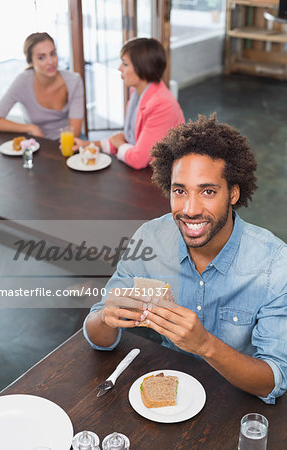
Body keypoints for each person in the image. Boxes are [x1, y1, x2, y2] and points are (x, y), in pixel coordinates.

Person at [83, 114, 287, 404]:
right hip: (168, 397)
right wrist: (106, 318)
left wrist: (206, 345)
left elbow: (273, 380)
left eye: (207, 191)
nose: (190, 209)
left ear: (233, 193)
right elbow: (98, 338)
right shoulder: (149, 239)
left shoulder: (275, 265)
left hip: (237, 403)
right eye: (180, 191)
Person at [73, 37, 184, 169]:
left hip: (164, 176)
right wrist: (88, 145)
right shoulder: (137, 92)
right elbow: (128, 140)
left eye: (125, 64)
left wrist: (119, 143)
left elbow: (138, 159)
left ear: (142, 68)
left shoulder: (162, 104)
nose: (119, 68)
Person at [0, 32, 84, 140]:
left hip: (68, 142)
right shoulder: (23, 82)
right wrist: (30, 128)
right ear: (31, 62)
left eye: (53, 54)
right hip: (39, 143)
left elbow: (74, 132)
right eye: (41, 57)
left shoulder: (74, 81)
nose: (50, 61)